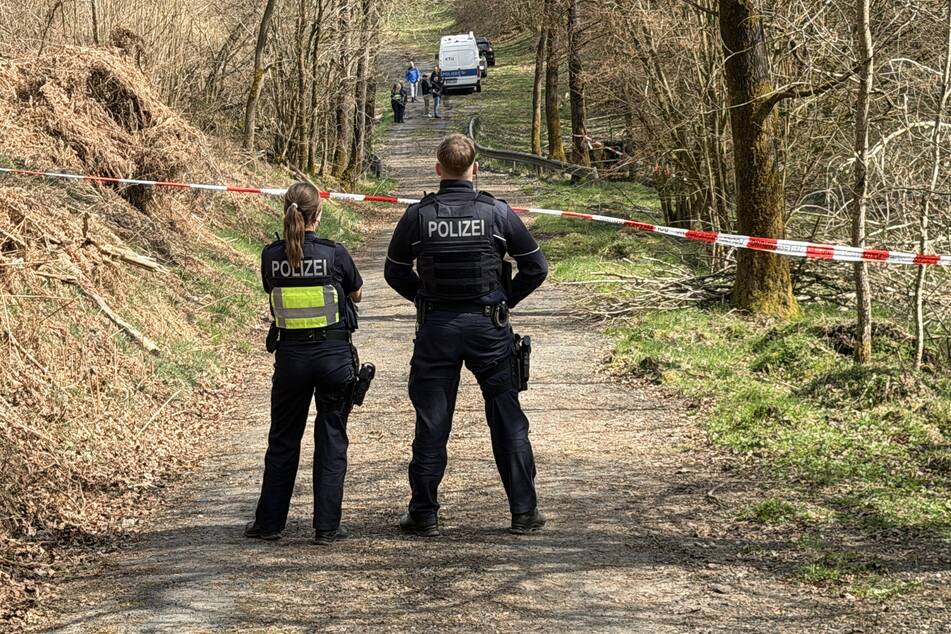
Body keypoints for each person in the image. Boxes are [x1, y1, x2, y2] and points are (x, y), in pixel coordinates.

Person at [384, 134, 549, 537]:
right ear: (475, 168)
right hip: (488, 329)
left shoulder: (418, 216)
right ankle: (524, 513)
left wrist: (424, 297)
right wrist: (503, 300)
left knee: (432, 422)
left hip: (437, 328)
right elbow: (536, 268)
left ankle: (424, 514)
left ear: (438, 169)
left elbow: (394, 271)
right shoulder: (497, 213)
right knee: (507, 418)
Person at [246, 182, 365, 546]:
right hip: (333, 359)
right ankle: (327, 526)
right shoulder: (335, 254)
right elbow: (356, 293)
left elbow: (272, 289)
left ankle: (269, 524)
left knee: (283, 439)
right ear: (320, 214)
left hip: (291, 361)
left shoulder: (270, 256)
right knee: (331, 438)